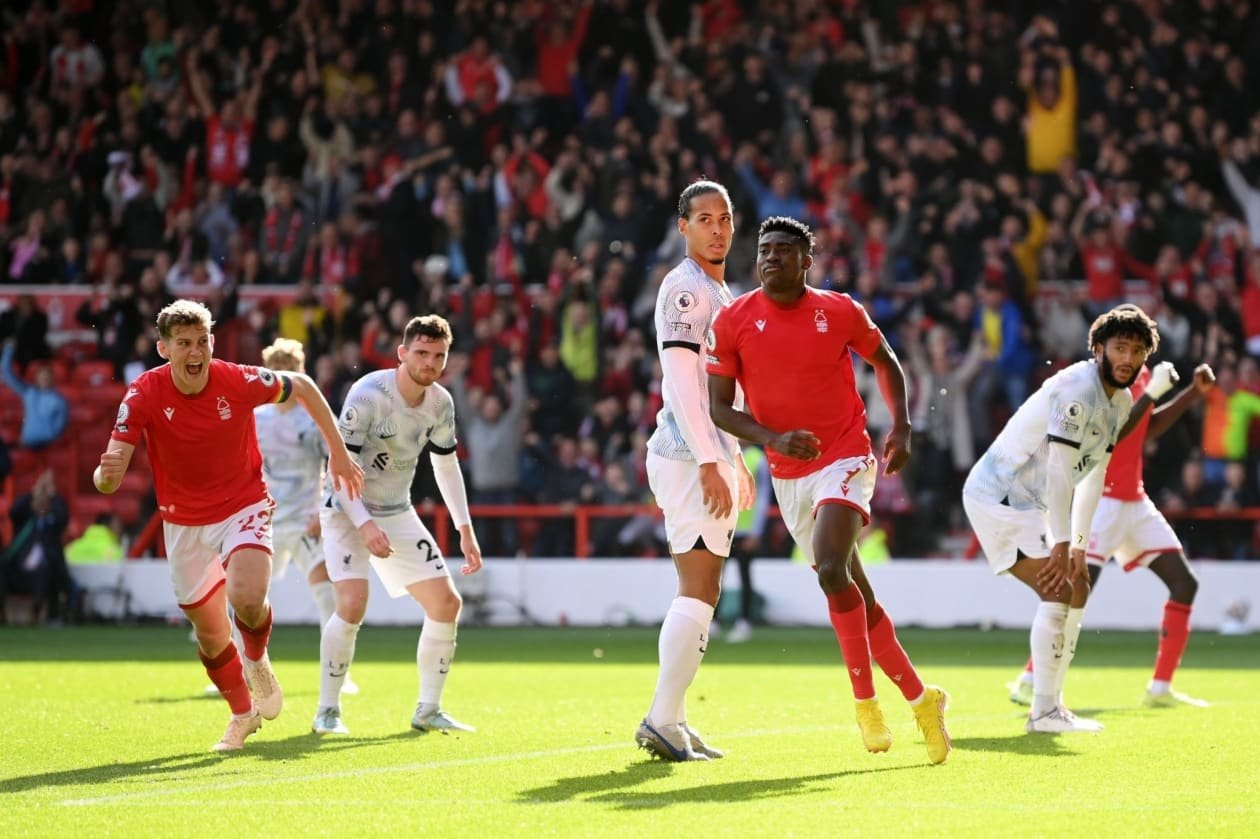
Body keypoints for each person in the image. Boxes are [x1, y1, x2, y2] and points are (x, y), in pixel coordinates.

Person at [708, 216, 951, 765]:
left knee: (829, 569)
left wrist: (902, 426)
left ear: (806, 261)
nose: (771, 257)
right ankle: (923, 699)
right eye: (765, 250)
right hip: (787, 471)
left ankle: (865, 704)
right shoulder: (733, 320)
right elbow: (720, 408)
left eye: (784, 250)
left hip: (844, 453)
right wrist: (772, 439)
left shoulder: (839, 310)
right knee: (856, 594)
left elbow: (886, 361)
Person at [94, 299, 363, 752]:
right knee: (210, 632)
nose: (195, 351)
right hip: (183, 523)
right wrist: (106, 477)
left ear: (213, 343)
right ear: (164, 348)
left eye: (202, 341)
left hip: (244, 505)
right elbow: (110, 469)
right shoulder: (142, 392)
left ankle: (255, 658)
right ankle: (242, 714)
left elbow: (302, 385)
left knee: (247, 596)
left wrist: (337, 451)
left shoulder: (236, 379)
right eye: (184, 343)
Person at [962, 304, 1175, 733]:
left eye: (1137, 351)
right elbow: (1061, 473)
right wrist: (1061, 543)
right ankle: (1042, 712)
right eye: (1120, 347)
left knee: (1076, 586)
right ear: (1098, 349)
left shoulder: (1121, 400)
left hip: (1028, 504)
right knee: (1059, 590)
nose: (1128, 358)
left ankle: (1054, 706)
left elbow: (1093, 476)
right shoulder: (1077, 389)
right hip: (1000, 497)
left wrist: (1078, 545)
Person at [312, 314, 484, 737]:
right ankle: (327, 710)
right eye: (422, 353)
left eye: (439, 356)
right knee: (352, 603)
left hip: (395, 509)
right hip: (345, 508)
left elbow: (446, 465)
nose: (430, 363)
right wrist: (364, 524)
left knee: (446, 604)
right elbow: (339, 468)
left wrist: (464, 528)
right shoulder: (368, 394)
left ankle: (428, 709)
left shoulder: (440, 403)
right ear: (402, 353)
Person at [1008, 361, 1217, 709]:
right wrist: (1153, 393)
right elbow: (1114, 431)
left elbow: (1145, 428)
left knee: (1184, 584)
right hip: (1101, 501)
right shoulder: (1099, 378)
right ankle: (1031, 679)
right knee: (1074, 589)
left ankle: (1160, 689)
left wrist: (1194, 392)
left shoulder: (1143, 374)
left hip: (1135, 501)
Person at [636, 179, 755, 762]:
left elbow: (720, 391)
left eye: (724, 218)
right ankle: (662, 719)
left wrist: (736, 458)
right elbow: (682, 381)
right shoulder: (686, 289)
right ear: (682, 226)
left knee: (703, 586)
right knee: (700, 587)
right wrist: (711, 459)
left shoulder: (718, 290)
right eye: (704, 219)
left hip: (705, 454)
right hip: (688, 457)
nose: (717, 228)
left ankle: (674, 718)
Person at [255, 337, 357, 695]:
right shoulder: (255, 418)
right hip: (264, 520)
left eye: (290, 370)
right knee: (246, 598)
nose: (283, 376)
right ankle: (243, 672)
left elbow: (336, 461)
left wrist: (322, 509)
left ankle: (338, 673)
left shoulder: (314, 418)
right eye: (277, 369)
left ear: (301, 372)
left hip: (304, 520)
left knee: (328, 593)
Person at [0, 469, 71, 624]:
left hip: (45, 572)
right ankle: (2, 613)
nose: (41, 501)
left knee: (44, 569)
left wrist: (52, 495)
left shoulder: (53, 523)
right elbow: (13, 512)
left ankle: (37, 613)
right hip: (20, 569)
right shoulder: (25, 521)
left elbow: (63, 517)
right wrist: (33, 492)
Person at [724, 444, 772, 643]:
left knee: (744, 577)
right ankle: (712, 621)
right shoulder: (723, 451)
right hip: (724, 527)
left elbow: (763, 497)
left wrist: (756, 532)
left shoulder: (757, 459)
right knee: (715, 577)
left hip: (745, 530)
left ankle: (744, 621)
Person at [1, 339, 68, 451]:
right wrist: (9, 350)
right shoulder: (28, 392)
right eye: (41, 376)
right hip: (26, 443)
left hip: (43, 444)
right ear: (36, 378)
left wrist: (40, 438)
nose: (44, 379)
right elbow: (7, 374)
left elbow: (59, 429)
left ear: (52, 379)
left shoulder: (59, 401)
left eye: (47, 376)